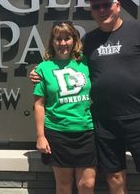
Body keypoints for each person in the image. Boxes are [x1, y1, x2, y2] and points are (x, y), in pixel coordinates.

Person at [30, 0, 140, 194]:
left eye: (106, 4)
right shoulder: (89, 41)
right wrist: (36, 71)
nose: (102, 9)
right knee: (114, 177)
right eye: (96, 6)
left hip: (136, 117)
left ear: (118, 6)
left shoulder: (136, 30)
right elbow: (59, 66)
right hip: (104, 123)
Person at [33, 21, 96, 194]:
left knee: (87, 185)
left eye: (67, 38)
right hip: (58, 133)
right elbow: (39, 105)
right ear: (52, 42)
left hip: (86, 131)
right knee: (63, 186)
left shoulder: (85, 63)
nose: (62, 43)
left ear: (74, 40)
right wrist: (40, 136)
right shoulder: (43, 68)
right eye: (58, 39)